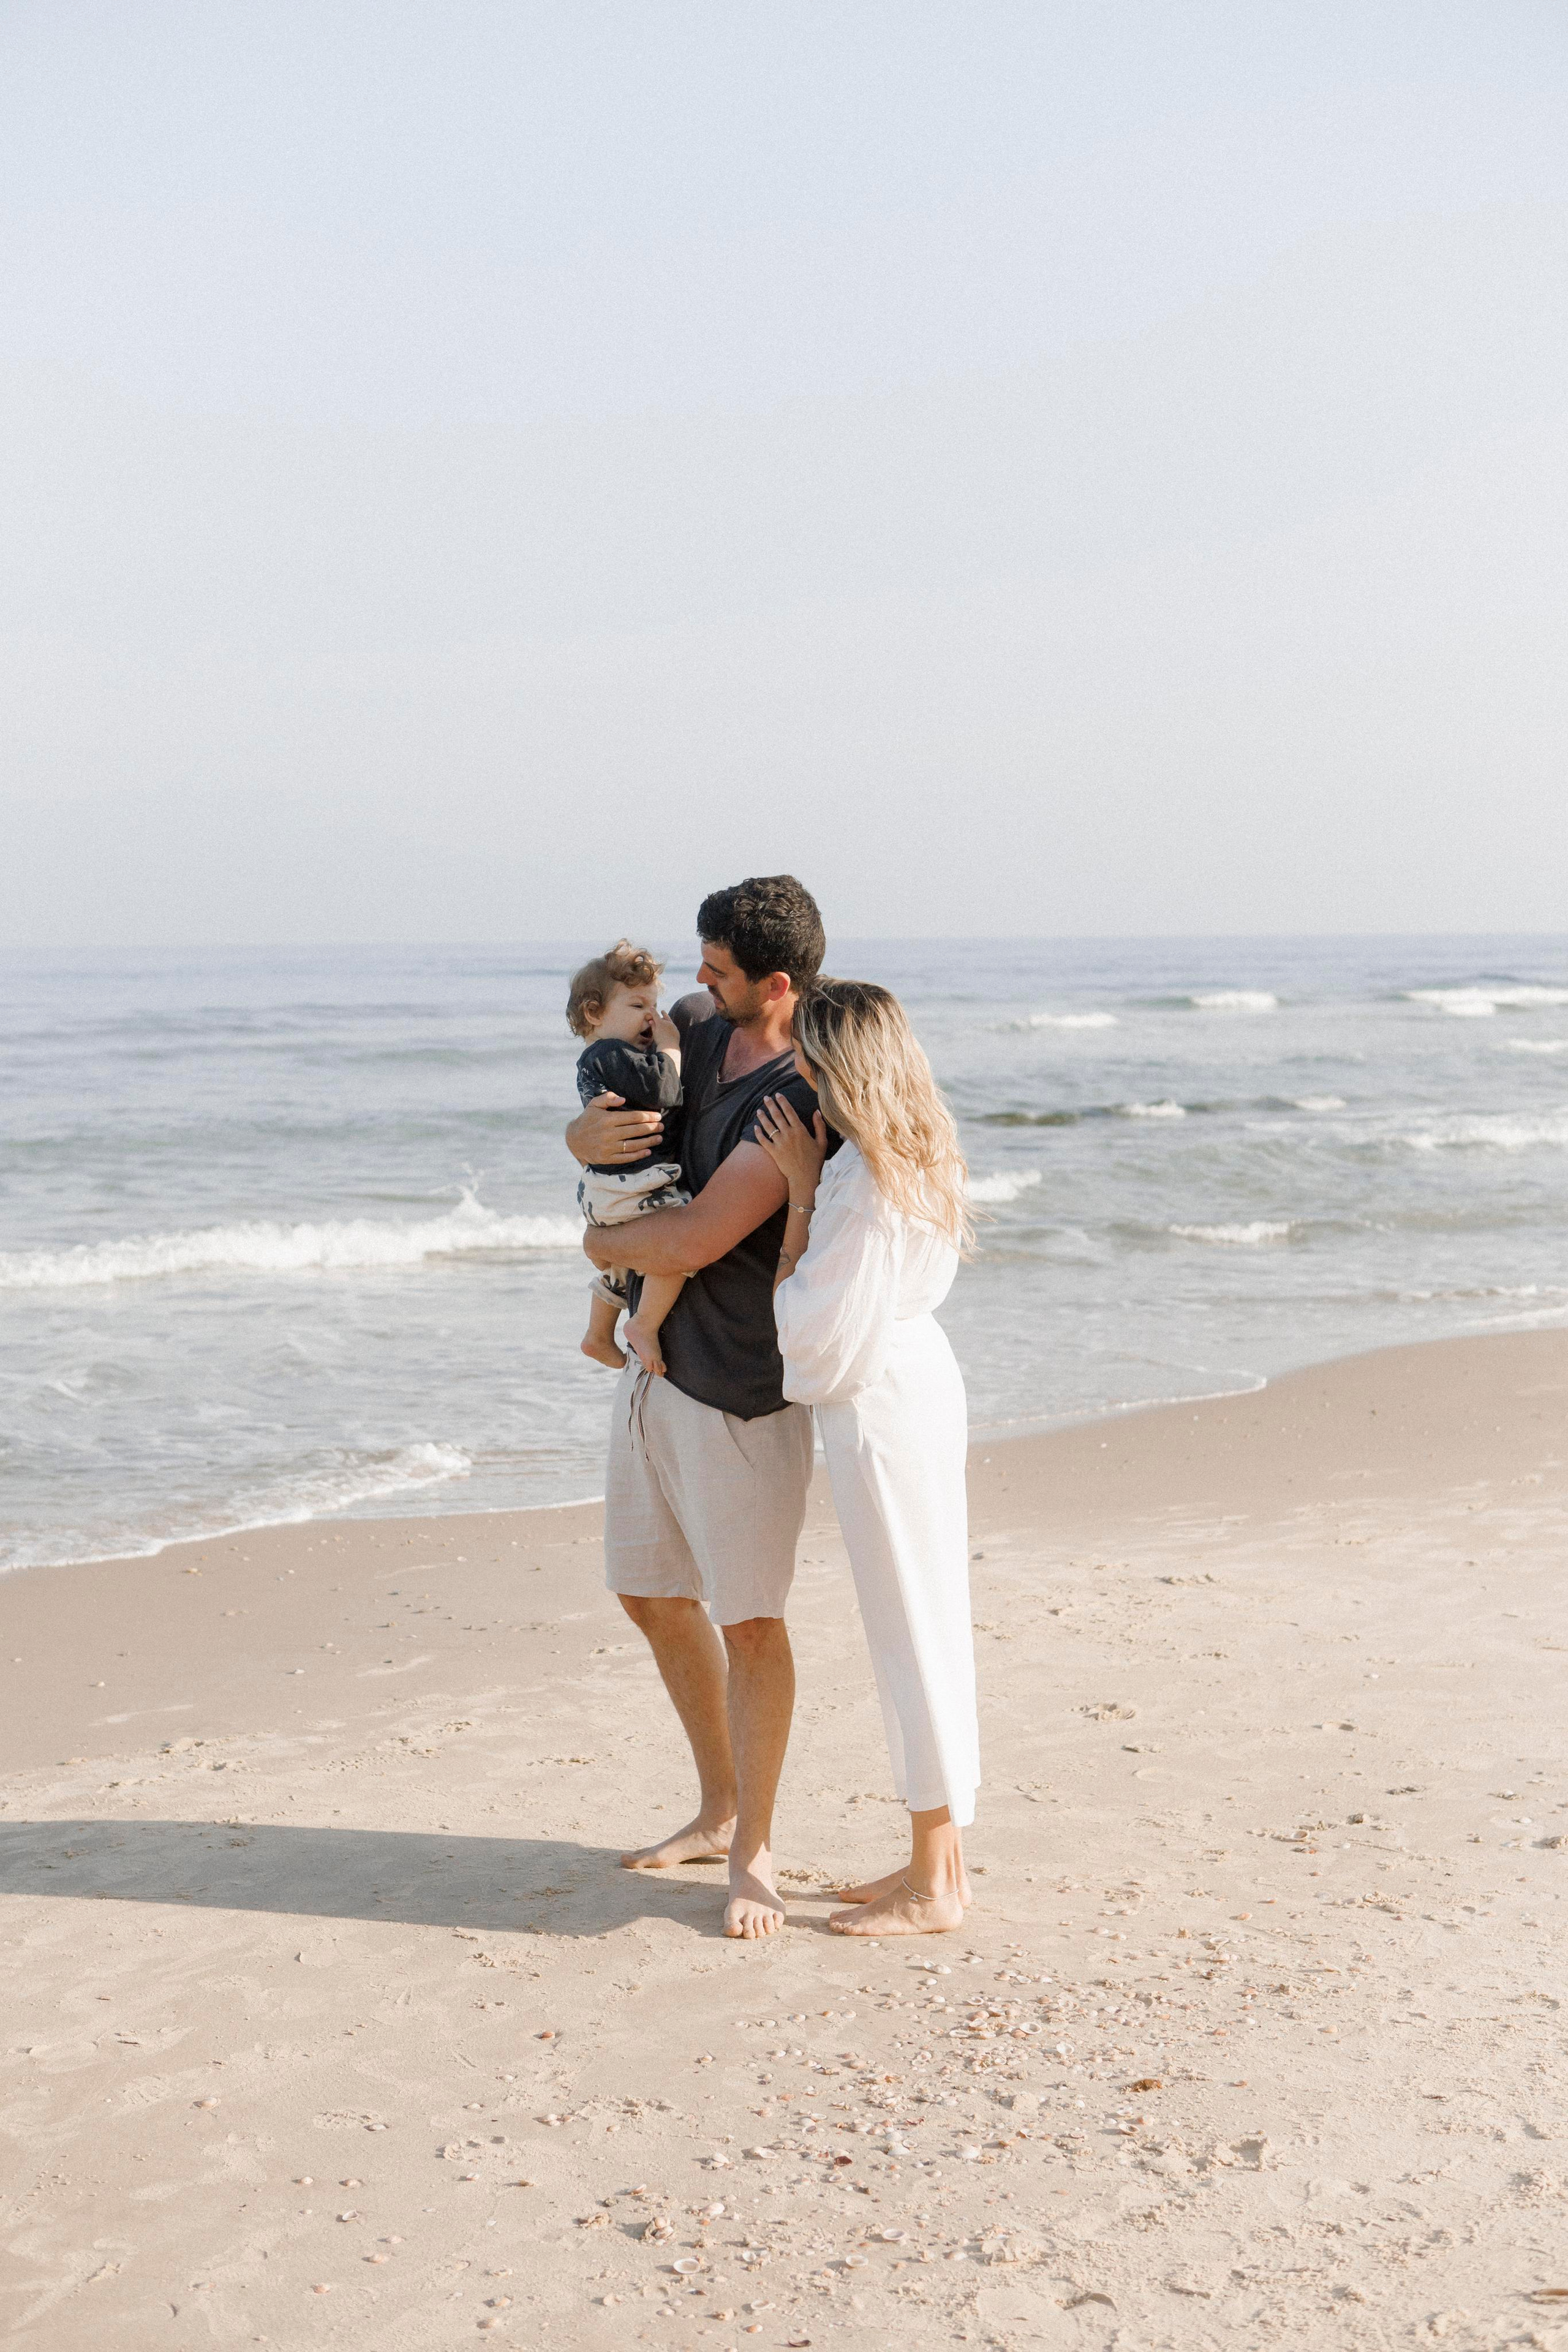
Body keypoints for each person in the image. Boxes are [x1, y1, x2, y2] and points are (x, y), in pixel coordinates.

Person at [566, 875, 829, 1939]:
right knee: (647, 1591)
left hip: (739, 1389)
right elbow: (616, 1106)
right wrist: (581, 1141)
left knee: (751, 1621)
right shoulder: (700, 1029)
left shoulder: (801, 1092)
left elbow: (694, 1238)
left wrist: (598, 1241)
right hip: (655, 1367)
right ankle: (719, 1809)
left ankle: (755, 1853)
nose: (699, 985)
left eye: (719, 971)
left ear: (778, 984)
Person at [756, 977, 980, 1937]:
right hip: (920, 1380)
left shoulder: (858, 1181)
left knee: (909, 1628)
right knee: (930, 1618)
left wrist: (800, 1197)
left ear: (833, 1067)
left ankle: (935, 1887)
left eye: (805, 1059)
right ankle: (939, 1859)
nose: (796, 1074)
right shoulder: (920, 1147)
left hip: (884, 1406)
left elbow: (812, 1334)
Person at [567, 941, 689, 1376]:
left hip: (610, 1188)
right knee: (679, 1246)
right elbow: (665, 1090)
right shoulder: (611, 1054)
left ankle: (598, 1335)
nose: (652, 1018)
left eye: (654, 1006)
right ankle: (644, 1324)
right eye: (638, 1005)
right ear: (594, 1013)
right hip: (633, 1184)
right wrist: (672, 1048)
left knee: (622, 1266)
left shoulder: (601, 1060)